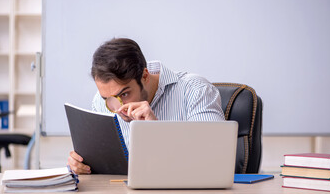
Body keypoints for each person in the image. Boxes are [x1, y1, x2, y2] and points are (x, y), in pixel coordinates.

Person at [68, 38, 225, 174]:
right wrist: (81, 165)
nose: (118, 108)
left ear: (144, 76)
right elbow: (102, 165)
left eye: (124, 94)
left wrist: (157, 132)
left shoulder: (196, 90)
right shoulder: (101, 102)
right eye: (107, 98)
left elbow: (216, 159)